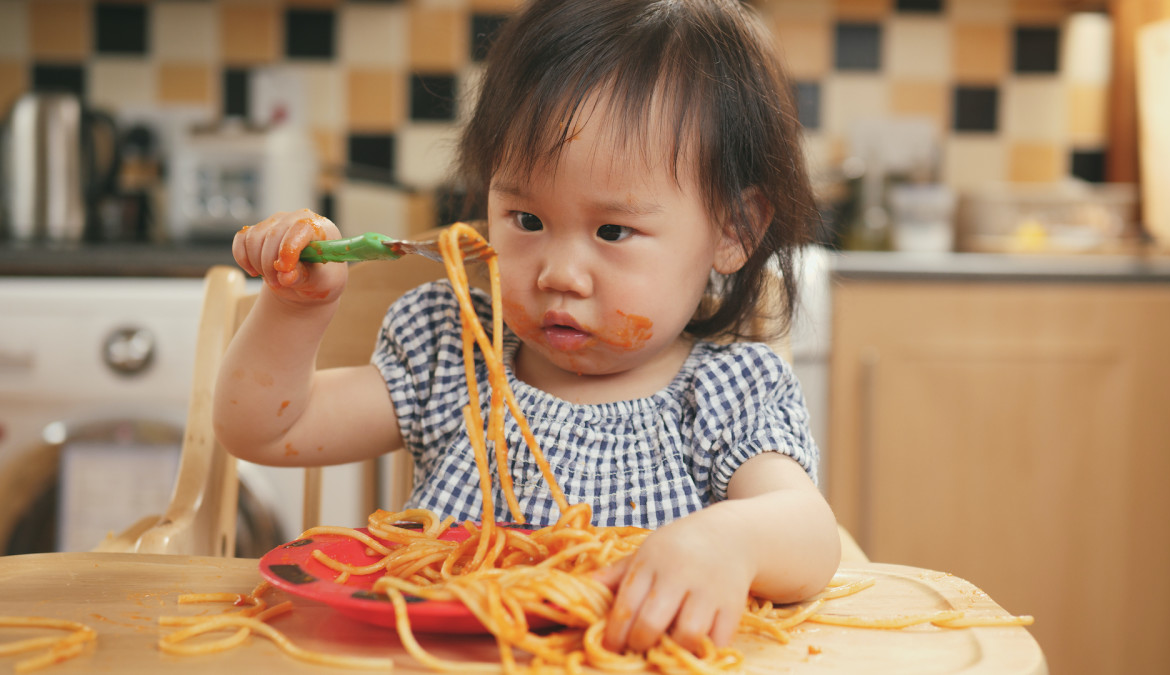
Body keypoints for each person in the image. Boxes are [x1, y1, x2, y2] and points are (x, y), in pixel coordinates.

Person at [214, 0, 840, 657]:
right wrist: (294, 309)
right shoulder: (453, 355)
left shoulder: (725, 394)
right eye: (527, 219)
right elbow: (265, 428)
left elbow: (808, 532)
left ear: (734, 231)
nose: (559, 273)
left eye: (613, 231)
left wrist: (724, 540)